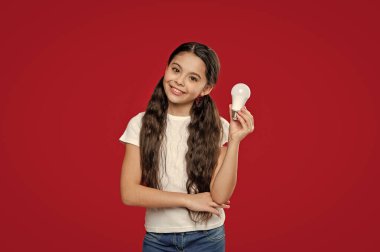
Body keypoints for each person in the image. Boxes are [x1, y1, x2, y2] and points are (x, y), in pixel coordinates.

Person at [119, 41, 254, 252]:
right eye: (175, 70)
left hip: (207, 239)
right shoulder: (140, 124)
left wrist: (234, 140)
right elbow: (129, 193)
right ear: (167, 68)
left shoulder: (218, 127)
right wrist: (189, 201)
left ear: (206, 88)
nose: (179, 81)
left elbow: (220, 197)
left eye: (193, 78)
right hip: (158, 239)